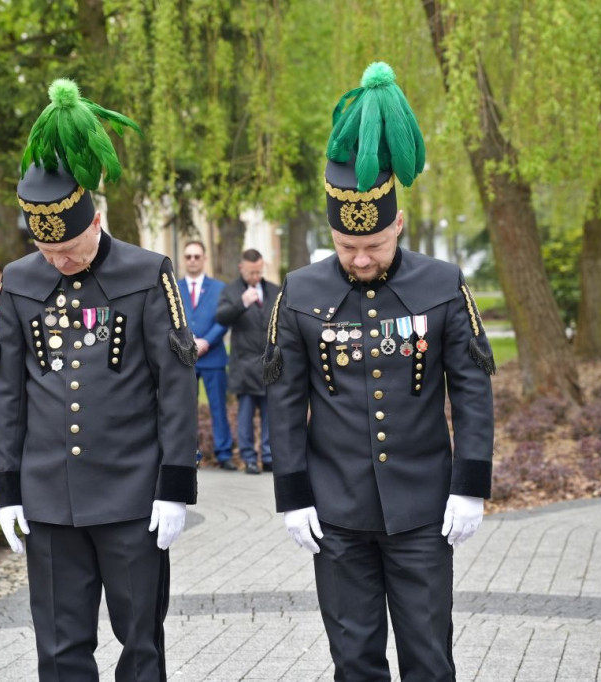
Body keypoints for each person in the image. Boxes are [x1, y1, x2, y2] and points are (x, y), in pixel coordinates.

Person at [264, 62, 495, 681]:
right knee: (354, 659)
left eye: (374, 246)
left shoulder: (442, 284)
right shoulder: (300, 290)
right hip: (335, 514)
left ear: (397, 223)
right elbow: (284, 397)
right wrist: (292, 495)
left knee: (428, 656)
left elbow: (472, 389)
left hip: (423, 508)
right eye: (346, 248)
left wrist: (470, 485)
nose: (360, 259)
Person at [0, 77, 197, 681]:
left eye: (72, 248)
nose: (60, 262)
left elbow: (175, 385)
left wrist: (175, 484)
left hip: (133, 495)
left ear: (96, 218)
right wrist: (7, 489)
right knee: (58, 650)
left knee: (141, 645)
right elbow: (8, 391)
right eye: (47, 251)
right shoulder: (21, 280)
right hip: (50, 498)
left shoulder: (148, 273)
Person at [216, 249, 279, 474]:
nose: (255, 276)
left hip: (269, 363)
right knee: (245, 415)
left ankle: (270, 456)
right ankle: (249, 458)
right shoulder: (231, 291)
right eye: (251, 272)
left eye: (259, 272)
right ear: (242, 268)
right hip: (243, 364)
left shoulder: (273, 290)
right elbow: (221, 317)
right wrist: (241, 304)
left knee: (270, 413)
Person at [178, 240, 234, 468]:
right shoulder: (174, 287)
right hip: (183, 358)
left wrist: (206, 341)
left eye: (197, 256)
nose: (192, 260)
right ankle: (188, 454)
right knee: (184, 409)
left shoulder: (220, 288)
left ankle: (224, 454)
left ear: (204, 259)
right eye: (189, 256)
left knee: (218, 407)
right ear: (184, 259)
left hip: (213, 357)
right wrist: (188, 341)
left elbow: (225, 319)